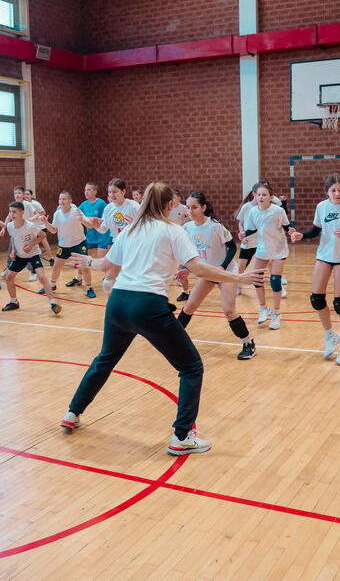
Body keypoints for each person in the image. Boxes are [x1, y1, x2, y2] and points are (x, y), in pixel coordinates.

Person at [59, 182, 264, 456]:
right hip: (147, 306)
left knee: (105, 360)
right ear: (170, 205)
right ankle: (183, 436)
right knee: (192, 367)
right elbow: (198, 267)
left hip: (118, 303)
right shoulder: (173, 230)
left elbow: (105, 265)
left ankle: (73, 412)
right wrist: (238, 277)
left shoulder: (130, 229)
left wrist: (88, 262)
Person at [290, 174, 340, 365]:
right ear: (327, 191)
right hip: (324, 255)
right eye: (333, 190)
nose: (337, 193)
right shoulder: (322, 206)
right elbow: (316, 230)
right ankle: (330, 335)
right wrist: (302, 235)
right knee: (316, 299)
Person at [176, 191, 256, 360]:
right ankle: (171, 340)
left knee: (228, 310)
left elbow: (233, 248)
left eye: (195, 207)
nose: (190, 211)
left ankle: (248, 343)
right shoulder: (187, 228)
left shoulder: (215, 226)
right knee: (189, 306)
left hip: (226, 272)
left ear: (204, 207)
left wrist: (221, 267)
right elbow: (193, 255)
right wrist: (186, 269)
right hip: (206, 271)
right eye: (188, 208)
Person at [240, 183, 290, 330]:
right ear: (255, 196)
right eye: (259, 194)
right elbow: (253, 229)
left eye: (264, 194)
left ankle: (276, 313)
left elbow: (287, 227)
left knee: (275, 280)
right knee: (257, 278)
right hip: (263, 248)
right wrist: (244, 235)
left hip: (279, 249)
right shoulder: (253, 212)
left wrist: (293, 232)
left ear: (271, 197)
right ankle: (263, 308)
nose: (261, 197)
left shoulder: (278, 211)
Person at [2, 201, 62, 315]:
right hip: (20, 256)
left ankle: (53, 303)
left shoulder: (29, 226)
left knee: (41, 276)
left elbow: (43, 235)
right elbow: (13, 238)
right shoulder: (10, 226)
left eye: (14, 212)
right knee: (9, 277)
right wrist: (13, 251)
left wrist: (31, 245)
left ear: (22, 213)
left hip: (33, 254)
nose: (11, 214)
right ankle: (14, 302)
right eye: (10, 212)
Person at [43, 190, 96, 298]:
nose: (61, 201)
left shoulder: (76, 211)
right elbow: (53, 230)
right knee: (56, 267)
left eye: (64, 199)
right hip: (64, 245)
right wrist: (45, 222)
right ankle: (52, 285)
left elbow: (90, 226)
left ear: (70, 201)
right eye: (60, 199)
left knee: (84, 266)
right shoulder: (57, 214)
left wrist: (83, 220)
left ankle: (89, 287)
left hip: (79, 243)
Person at [93, 178, 141, 293]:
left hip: (133, 245)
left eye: (115, 192)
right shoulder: (108, 209)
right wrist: (96, 226)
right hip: (118, 244)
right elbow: (103, 230)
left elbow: (144, 228)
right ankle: (112, 309)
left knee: (134, 280)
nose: (111, 195)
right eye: (109, 192)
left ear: (123, 192)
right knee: (108, 281)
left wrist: (135, 225)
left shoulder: (133, 206)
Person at [79, 182, 110, 260]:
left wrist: (87, 218)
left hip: (102, 237)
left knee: (101, 262)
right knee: (84, 262)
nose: (86, 192)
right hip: (90, 237)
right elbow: (75, 214)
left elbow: (104, 220)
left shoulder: (101, 203)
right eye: (85, 190)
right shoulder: (84, 204)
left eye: (89, 190)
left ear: (95, 191)